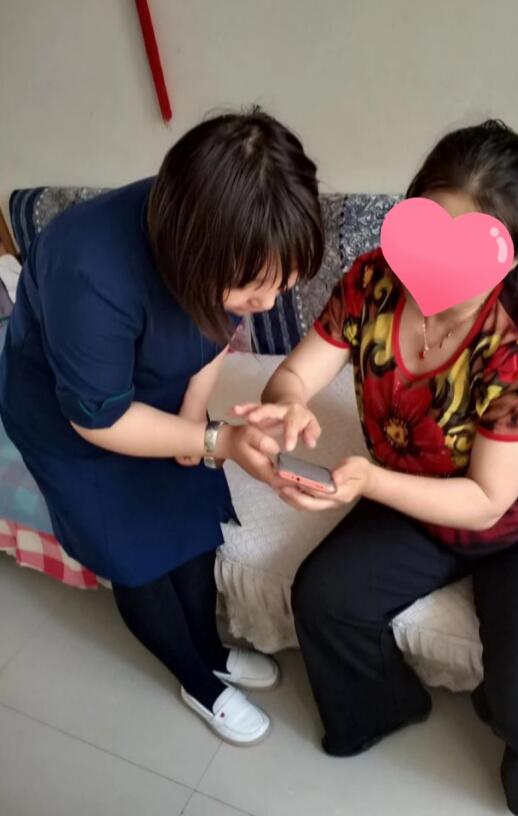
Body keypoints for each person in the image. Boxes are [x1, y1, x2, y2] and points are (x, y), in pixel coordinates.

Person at [238, 120, 518, 813]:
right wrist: (285, 406)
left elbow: (486, 499)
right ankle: (387, 704)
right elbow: (293, 375)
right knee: (324, 600)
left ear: (513, 254)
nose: (437, 265)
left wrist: (370, 480)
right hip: (416, 494)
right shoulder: (373, 280)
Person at [0, 108, 323, 746]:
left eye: (279, 288)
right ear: (192, 256)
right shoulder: (88, 270)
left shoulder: (221, 233)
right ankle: (196, 679)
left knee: (186, 513)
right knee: (135, 554)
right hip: (77, 411)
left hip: (153, 381)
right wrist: (214, 440)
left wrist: (193, 418)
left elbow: (217, 334)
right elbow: (101, 418)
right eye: (253, 291)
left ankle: (209, 647)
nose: (267, 305)